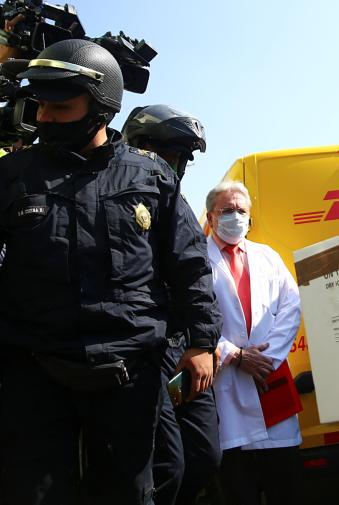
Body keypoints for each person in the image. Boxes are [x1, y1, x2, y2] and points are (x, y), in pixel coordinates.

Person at [0, 39, 221, 504]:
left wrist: (202, 343)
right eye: (40, 105)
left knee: (135, 490)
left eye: (60, 106)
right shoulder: (12, 175)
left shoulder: (151, 177)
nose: (44, 117)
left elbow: (189, 265)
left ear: (101, 107)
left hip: (129, 375)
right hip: (35, 370)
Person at [121, 104, 219, 505]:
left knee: (204, 456)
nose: (173, 165)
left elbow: (196, 277)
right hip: (141, 352)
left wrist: (201, 344)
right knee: (163, 468)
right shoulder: (115, 197)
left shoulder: (177, 206)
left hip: (184, 350)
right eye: (168, 154)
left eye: (181, 158)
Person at [206, 181, 303, 505]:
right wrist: (233, 354)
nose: (235, 216)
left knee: (285, 485)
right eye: (227, 211)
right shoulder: (195, 260)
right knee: (238, 489)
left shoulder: (267, 257)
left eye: (241, 211)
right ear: (210, 216)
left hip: (269, 379)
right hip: (225, 386)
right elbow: (188, 317)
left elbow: (292, 305)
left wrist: (268, 357)